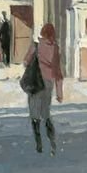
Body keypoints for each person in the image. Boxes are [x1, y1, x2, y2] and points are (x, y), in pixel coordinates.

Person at [23, 23, 63, 155]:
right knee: (46, 114)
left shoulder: (36, 46)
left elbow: (25, 62)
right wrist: (59, 92)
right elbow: (58, 71)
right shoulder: (55, 48)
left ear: (42, 32)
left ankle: (39, 144)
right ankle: (52, 143)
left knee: (34, 115)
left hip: (35, 82)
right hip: (48, 83)